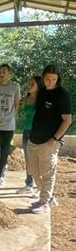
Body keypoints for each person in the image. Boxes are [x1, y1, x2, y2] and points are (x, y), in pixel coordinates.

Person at [27, 65, 72, 214]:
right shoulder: (42, 92)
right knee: (32, 170)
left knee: (47, 173)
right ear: (43, 77)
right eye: (47, 79)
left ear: (58, 79)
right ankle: (48, 197)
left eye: (54, 79)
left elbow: (67, 120)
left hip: (49, 141)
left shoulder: (62, 94)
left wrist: (55, 139)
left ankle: (44, 202)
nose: (50, 82)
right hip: (34, 138)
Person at [17, 76, 42, 195]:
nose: (29, 86)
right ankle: (28, 185)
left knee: (37, 160)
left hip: (37, 132)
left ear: (39, 87)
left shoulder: (41, 100)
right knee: (28, 160)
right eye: (29, 83)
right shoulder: (26, 98)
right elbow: (20, 110)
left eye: (32, 84)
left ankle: (40, 187)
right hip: (26, 132)